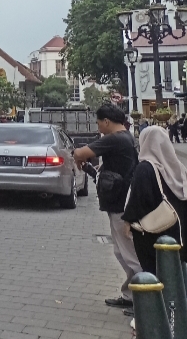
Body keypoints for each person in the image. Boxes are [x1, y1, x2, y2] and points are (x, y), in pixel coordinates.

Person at [74, 104, 141, 309]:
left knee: (129, 254)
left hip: (121, 203)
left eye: (98, 121)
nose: (98, 126)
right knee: (122, 252)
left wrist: (79, 157)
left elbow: (80, 152)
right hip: (121, 200)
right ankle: (131, 295)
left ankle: (143, 299)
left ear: (106, 121)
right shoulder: (127, 137)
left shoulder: (115, 138)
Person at [121, 126, 187, 274]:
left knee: (156, 272)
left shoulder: (145, 168)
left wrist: (127, 221)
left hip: (153, 233)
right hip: (177, 228)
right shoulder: (177, 166)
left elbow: (138, 200)